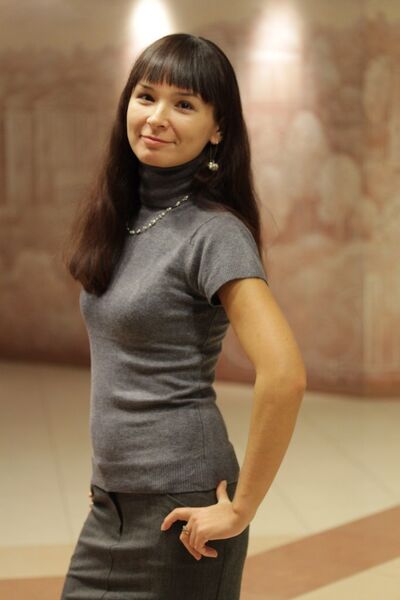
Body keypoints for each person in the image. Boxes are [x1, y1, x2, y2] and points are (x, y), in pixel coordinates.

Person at [60, 33, 306, 600]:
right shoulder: (124, 218)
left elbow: (285, 374)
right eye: (146, 96)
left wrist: (241, 508)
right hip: (112, 505)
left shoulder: (214, 233)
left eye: (185, 104)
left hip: (182, 514)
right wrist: (114, 480)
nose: (157, 117)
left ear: (218, 129)